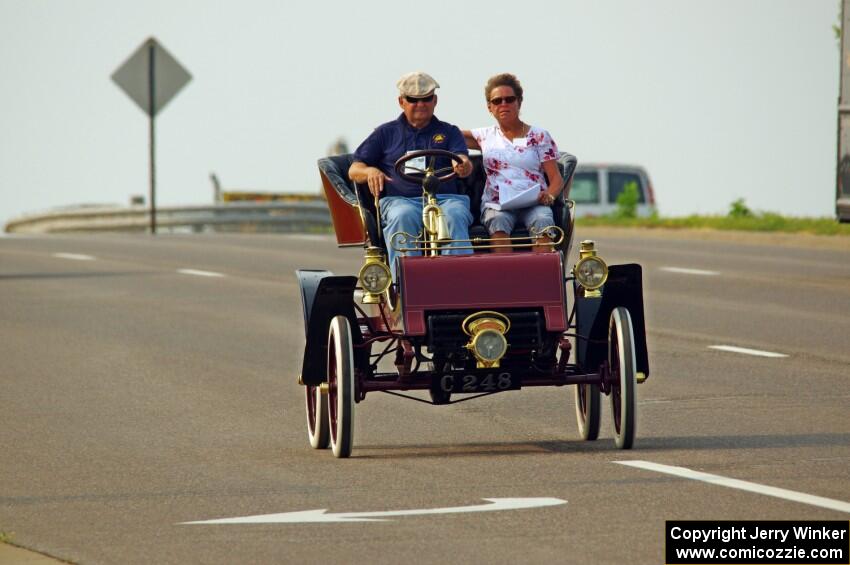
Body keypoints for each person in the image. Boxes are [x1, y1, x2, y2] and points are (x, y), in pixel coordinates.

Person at [349, 71, 474, 279]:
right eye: (413, 100)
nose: (420, 104)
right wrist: (370, 170)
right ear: (401, 102)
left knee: (455, 215)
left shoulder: (450, 131)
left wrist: (462, 165)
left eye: (426, 99)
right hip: (401, 201)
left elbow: (463, 159)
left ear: (435, 101)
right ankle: (405, 285)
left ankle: (458, 282)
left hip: (446, 200)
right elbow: (354, 169)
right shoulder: (385, 133)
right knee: (402, 216)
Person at [463, 73, 564, 252]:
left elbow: (556, 179)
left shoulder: (539, 135)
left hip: (534, 203)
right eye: (497, 101)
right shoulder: (484, 136)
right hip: (498, 203)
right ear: (489, 107)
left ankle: (541, 276)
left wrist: (549, 196)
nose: (503, 104)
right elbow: (447, 135)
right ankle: (504, 277)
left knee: (543, 220)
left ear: (519, 102)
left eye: (509, 99)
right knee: (498, 220)